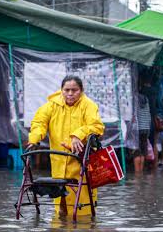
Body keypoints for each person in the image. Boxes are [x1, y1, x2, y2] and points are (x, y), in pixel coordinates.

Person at [27, 75, 105, 217]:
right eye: (66, 90)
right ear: (61, 90)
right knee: (59, 201)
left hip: (80, 160)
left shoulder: (88, 105)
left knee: (83, 205)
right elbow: (39, 123)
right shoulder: (51, 105)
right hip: (58, 159)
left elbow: (96, 126)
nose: (70, 94)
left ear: (81, 90)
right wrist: (34, 139)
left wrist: (78, 135)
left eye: (74, 90)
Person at [133, 86, 152, 173]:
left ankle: (137, 174)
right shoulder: (146, 99)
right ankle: (140, 172)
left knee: (136, 150)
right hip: (146, 127)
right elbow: (148, 114)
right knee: (143, 150)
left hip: (137, 128)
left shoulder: (134, 99)